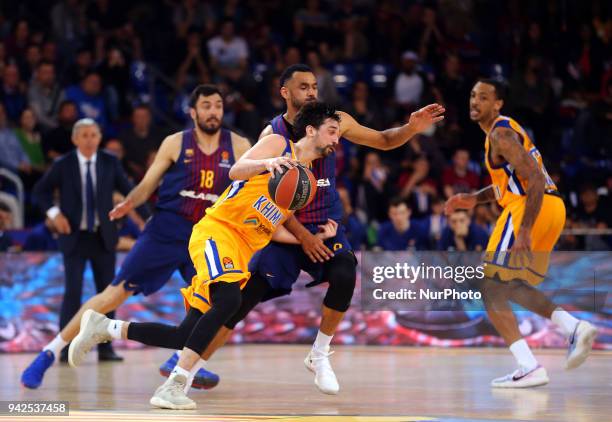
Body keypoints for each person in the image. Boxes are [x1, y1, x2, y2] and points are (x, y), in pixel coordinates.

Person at [184, 63, 444, 396]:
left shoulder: (335, 121)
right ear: (285, 93)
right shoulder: (273, 137)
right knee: (241, 300)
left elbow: (382, 140)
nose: (311, 92)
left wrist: (411, 128)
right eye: (303, 87)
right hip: (284, 225)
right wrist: (302, 237)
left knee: (346, 271)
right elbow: (265, 199)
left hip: (325, 222)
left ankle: (319, 354)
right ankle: (191, 368)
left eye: (314, 87)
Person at [68, 101, 342, 410]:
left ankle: (105, 327)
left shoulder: (304, 182)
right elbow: (237, 171)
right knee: (230, 302)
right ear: (311, 130)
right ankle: (174, 385)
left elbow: (272, 224)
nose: (336, 140)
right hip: (217, 232)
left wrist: (312, 238)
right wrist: (267, 164)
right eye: (332, 132)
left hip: (241, 251)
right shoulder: (280, 145)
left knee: (185, 334)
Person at [21, 84, 250, 390]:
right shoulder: (174, 142)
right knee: (112, 295)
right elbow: (146, 185)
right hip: (166, 230)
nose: (214, 111)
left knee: (218, 302)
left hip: (208, 234)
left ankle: (180, 360)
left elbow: (252, 189)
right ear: (193, 112)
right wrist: (129, 203)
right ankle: (48, 353)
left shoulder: (238, 145)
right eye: (207, 105)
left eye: (218, 105)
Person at [444, 79, 597, 388]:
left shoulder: (501, 133)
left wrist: (525, 229)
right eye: (473, 95)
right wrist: (474, 199)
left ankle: (528, 366)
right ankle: (573, 327)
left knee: (490, 287)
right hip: (552, 209)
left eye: (483, 97)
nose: (475, 101)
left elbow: (534, 180)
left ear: (498, 103)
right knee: (512, 286)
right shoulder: (500, 134)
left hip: (529, 210)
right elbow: (508, 184)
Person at [26, 118, 136, 372]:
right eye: (84, 135)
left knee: (108, 295)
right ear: (75, 139)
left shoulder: (110, 161)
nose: (89, 139)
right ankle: (63, 348)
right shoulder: (62, 164)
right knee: (72, 292)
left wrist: (148, 217)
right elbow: (40, 192)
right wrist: (54, 214)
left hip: (103, 236)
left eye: (93, 134)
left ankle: (106, 349)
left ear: (99, 137)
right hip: (74, 237)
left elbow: (130, 192)